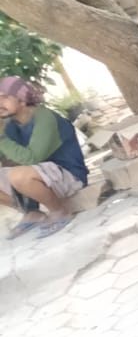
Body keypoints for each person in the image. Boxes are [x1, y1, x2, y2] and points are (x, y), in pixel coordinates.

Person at [0, 76, 87, 240]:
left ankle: (59, 211)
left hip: (69, 175)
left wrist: (1, 138)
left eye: (4, 97)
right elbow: (8, 156)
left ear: (22, 99)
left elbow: (32, 158)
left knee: (18, 175)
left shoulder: (45, 117)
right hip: (40, 176)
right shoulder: (10, 123)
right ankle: (31, 212)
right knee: (14, 172)